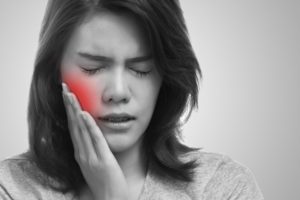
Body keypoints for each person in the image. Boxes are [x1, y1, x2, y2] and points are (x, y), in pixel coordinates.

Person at [0, 0, 264, 199]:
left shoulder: (222, 187)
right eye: (92, 68)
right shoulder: (11, 188)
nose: (118, 92)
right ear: (55, 72)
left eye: (141, 69)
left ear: (166, 75)